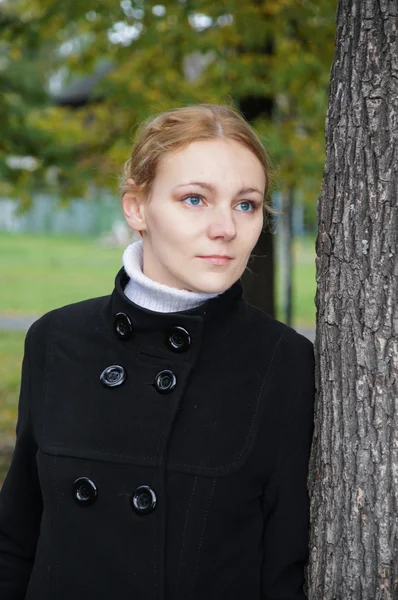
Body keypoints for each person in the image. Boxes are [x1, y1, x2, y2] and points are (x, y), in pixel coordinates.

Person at [0, 104, 315, 599]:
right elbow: (17, 538)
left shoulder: (285, 362)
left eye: (246, 204)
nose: (226, 228)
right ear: (136, 207)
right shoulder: (56, 340)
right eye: (195, 199)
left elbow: (284, 568)